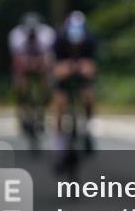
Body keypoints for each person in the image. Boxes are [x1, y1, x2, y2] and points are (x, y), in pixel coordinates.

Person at [52, 10, 98, 152]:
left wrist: (84, 69)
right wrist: (65, 69)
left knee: (88, 97)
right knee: (59, 103)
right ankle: (59, 141)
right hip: (64, 72)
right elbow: (56, 67)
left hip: (82, 73)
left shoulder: (90, 40)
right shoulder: (59, 39)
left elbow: (92, 66)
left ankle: (86, 127)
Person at [8, 13, 56, 143]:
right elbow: (17, 58)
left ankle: (42, 107)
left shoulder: (47, 34)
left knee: (47, 83)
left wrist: (41, 67)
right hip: (24, 63)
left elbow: (49, 57)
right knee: (21, 86)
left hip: (41, 62)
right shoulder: (16, 35)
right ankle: (23, 109)